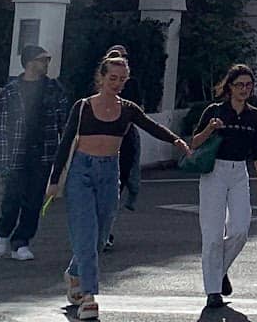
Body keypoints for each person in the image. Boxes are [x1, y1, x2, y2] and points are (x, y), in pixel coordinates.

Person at [47, 53, 190, 321]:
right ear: (101, 78)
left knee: (101, 236)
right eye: (113, 78)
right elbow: (66, 142)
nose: (117, 84)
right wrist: (54, 181)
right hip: (81, 171)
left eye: (122, 79)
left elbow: (151, 126)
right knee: (86, 234)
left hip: (109, 172)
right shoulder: (83, 107)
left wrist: (177, 141)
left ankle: (75, 273)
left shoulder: (128, 109)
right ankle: (89, 296)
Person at [192, 64, 257, 311]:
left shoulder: (255, 116)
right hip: (215, 171)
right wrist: (210, 128)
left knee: (240, 230)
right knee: (212, 234)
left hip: (239, 173)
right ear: (230, 87)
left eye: (248, 85)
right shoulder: (215, 111)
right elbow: (194, 142)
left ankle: (220, 270)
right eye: (239, 85)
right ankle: (213, 291)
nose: (244, 89)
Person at [0, 45, 69, 260]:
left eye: (47, 59)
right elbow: (2, 126)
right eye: (42, 59)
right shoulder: (11, 91)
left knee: (34, 200)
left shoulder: (54, 88)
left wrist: (64, 153)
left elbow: (64, 121)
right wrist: (2, 158)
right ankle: (3, 231)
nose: (46, 64)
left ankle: (21, 242)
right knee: (12, 197)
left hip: (43, 151)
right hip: (16, 152)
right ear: (29, 62)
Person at [99, 47, 142, 250]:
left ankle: (105, 231)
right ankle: (96, 230)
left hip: (124, 142)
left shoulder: (131, 86)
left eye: (123, 57)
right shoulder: (97, 88)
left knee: (115, 189)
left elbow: (139, 113)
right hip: (99, 143)